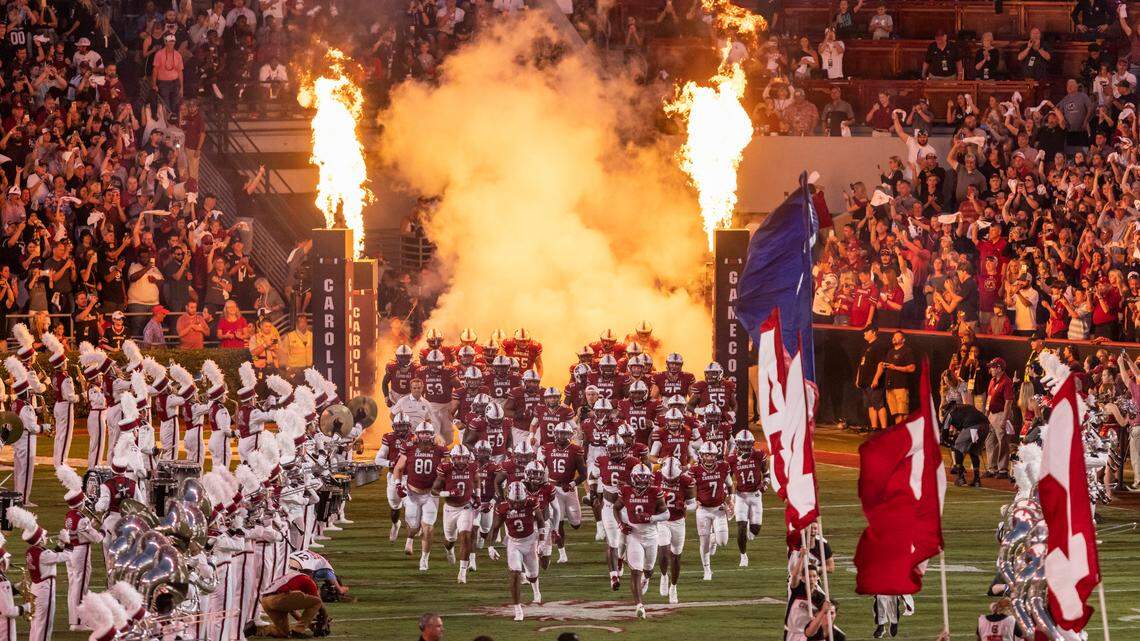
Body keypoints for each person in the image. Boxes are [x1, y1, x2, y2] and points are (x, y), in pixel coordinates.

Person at [254, 567, 325, 638]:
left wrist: (308, 624)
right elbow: (318, 602)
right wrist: (325, 618)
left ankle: (256, 629)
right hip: (278, 599)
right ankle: (298, 631)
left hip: (265, 601)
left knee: (283, 633)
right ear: (311, 573)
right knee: (317, 602)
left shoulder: (289, 577)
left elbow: (292, 611)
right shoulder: (307, 579)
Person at [943, 401, 990, 487]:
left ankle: (960, 477)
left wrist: (951, 443)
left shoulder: (949, 413)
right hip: (986, 426)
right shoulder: (966, 407)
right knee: (974, 451)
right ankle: (976, 480)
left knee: (957, 447)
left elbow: (944, 435)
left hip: (973, 427)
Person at [875, 331, 916, 424]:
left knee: (903, 412)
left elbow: (912, 368)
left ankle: (905, 434)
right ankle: (898, 433)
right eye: (893, 337)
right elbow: (887, 366)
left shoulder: (907, 351)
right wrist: (883, 366)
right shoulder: (890, 352)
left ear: (903, 340)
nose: (894, 338)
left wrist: (895, 367)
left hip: (901, 386)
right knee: (896, 414)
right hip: (890, 386)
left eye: (897, 337)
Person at [984, 358, 1015, 480]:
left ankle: (1002, 469)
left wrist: (1005, 419)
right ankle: (992, 468)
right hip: (992, 414)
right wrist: (986, 415)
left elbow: (1008, 402)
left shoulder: (1006, 382)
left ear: (999, 368)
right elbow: (989, 398)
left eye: (992, 367)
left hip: (1002, 413)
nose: (990, 369)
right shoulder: (992, 381)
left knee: (1003, 442)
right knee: (989, 441)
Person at [855, 326, 888, 430]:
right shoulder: (865, 347)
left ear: (873, 333)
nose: (864, 334)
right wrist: (858, 379)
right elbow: (861, 364)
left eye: (866, 332)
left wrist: (876, 378)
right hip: (864, 381)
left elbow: (881, 363)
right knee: (870, 405)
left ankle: (883, 428)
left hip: (873, 381)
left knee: (878, 404)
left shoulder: (879, 345)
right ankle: (874, 427)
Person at [280, 314, 313, 379]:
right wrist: (288, 368)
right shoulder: (289, 336)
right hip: (295, 369)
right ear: (297, 324)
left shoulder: (312, 335)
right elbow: (283, 354)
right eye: (301, 322)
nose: (303, 324)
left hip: (309, 368)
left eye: (305, 322)